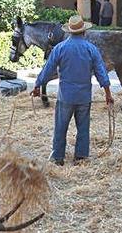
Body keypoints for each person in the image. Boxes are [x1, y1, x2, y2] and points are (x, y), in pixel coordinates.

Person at [30, 15, 113, 166]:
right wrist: (108, 94)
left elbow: (47, 69)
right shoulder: (91, 49)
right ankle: (80, 157)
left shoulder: (60, 48)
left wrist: (37, 85)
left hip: (65, 97)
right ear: (84, 32)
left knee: (61, 127)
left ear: (69, 31)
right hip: (84, 97)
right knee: (83, 128)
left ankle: (58, 157)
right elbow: (102, 72)